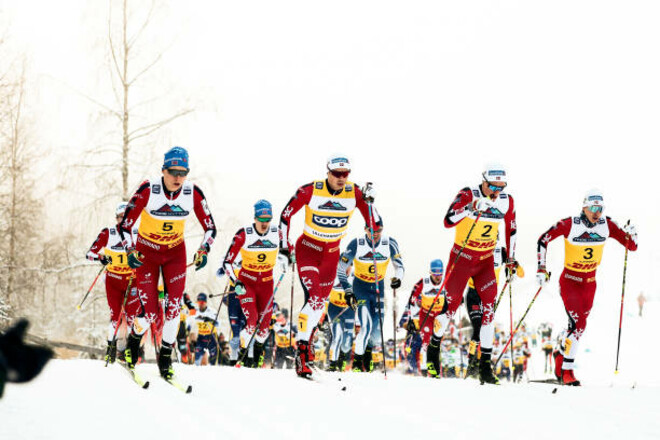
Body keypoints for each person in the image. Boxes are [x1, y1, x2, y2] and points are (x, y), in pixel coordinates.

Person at [119, 146, 217, 380]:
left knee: (174, 307)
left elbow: (211, 227)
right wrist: (130, 249)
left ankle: (165, 358)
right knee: (151, 311)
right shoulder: (148, 189)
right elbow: (124, 225)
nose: (177, 177)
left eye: (183, 172)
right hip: (147, 254)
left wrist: (203, 250)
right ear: (163, 170)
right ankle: (134, 340)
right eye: (173, 171)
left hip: (174, 253)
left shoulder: (192, 193)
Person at [278, 154, 379, 378]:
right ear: (328, 172)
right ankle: (301, 352)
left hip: (331, 255)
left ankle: (308, 339)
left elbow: (375, 225)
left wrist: (371, 204)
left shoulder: (355, 193)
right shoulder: (310, 190)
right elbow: (285, 216)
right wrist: (284, 248)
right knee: (314, 298)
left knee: (319, 304)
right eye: (337, 174)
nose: (341, 178)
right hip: (308, 250)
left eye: (345, 174)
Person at [537, 189, 638, 386]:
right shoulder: (570, 224)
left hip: (590, 283)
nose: (596, 212)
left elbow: (631, 246)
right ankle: (567, 371)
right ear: (584, 207)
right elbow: (543, 239)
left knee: (577, 328)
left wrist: (632, 234)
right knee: (578, 325)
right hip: (570, 281)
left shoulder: (606, 225)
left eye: (600, 209)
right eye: (593, 208)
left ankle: (560, 355)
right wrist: (541, 268)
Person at [431, 163, 518, 384]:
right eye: (492, 186)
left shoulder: (507, 200)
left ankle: (485, 368)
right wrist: (471, 208)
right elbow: (447, 220)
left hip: (485, 260)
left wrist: (510, 259)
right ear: (484, 181)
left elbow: (511, 229)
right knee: (449, 310)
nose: (496, 192)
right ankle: (433, 350)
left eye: (501, 187)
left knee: (489, 313)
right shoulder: (468, 193)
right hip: (462, 258)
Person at [222, 200, 288, 368]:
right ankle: (244, 356)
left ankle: (257, 355)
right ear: (255, 217)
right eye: (261, 219)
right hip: (247, 283)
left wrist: (289, 257)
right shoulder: (244, 234)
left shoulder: (278, 233)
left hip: (266, 283)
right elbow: (227, 263)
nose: (264, 223)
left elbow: (288, 249)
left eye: (267, 219)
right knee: (251, 321)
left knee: (264, 328)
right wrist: (235, 282)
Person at [337, 222, 404, 372]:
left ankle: (367, 356)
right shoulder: (356, 244)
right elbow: (341, 268)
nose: (374, 233)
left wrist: (397, 279)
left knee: (376, 332)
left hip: (378, 288)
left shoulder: (389, 243)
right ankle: (357, 364)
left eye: (378, 230)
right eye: (370, 230)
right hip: (361, 288)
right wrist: (348, 290)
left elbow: (399, 266)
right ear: (365, 229)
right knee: (365, 327)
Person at [86, 202, 139, 364]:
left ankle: (131, 349)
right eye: (120, 217)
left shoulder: (138, 232)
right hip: (114, 281)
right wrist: (102, 258)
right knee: (115, 316)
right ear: (116, 218)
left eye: (126, 217)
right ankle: (111, 347)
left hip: (132, 281)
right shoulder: (108, 233)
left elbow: (150, 255)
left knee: (132, 316)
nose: (123, 221)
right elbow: (89, 254)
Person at [406, 259, 446, 377]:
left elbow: (454, 295)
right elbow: (412, 300)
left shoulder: (446, 281)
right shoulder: (423, 282)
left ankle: (437, 370)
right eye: (435, 274)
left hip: (439, 316)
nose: (438, 277)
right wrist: (412, 319)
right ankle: (425, 370)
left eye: (440, 274)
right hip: (426, 315)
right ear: (430, 272)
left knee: (436, 343)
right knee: (426, 341)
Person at [326, 273, 355, 372]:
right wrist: (323, 317)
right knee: (337, 337)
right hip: (335, 309)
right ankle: (332, 365)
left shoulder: (354, 275)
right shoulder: (333, 276)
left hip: (349, 311)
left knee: (346, 343)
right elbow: (325, 296)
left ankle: (341, 362)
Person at [187, 293, 220, 365]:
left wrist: (209, 320)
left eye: (202, 302)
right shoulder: (195, 312)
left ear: (206, 302)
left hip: (211, 337)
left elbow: (218, 324)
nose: (201, 304)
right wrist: (189, 335)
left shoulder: (212, 311)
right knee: (197, 359)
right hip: (201, 337)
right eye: (199, 302)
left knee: (213, 360)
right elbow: (189, 323)